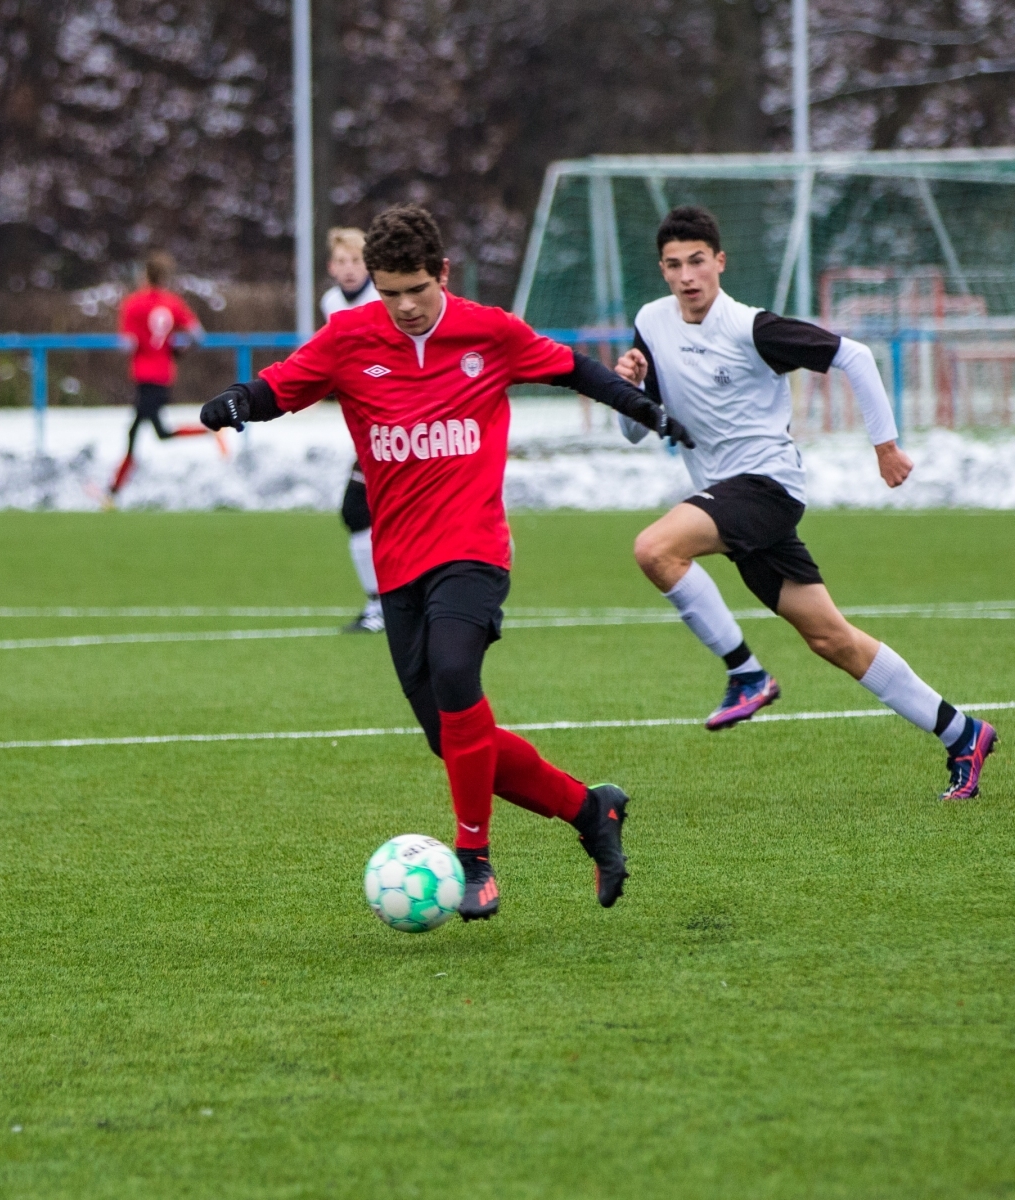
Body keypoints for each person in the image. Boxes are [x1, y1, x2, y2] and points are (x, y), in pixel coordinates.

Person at [198, 204, 694, 922]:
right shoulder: (349, 337)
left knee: (457, 672)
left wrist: (648, 409)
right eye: (389, 292)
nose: (403, 306)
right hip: (398, 561)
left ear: (443, 273)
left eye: (416, 290)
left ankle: (473, 858)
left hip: (472, 547)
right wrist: (236, 401)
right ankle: (592, 811)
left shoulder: (489, 332)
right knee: (453, 737)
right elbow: (281, 386)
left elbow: (576, 370)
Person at [612, 205, 996, 801]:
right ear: (661, 270)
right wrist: (630, 389)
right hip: (728, 500)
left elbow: (855, 355)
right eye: (674, 265)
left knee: (655, 549)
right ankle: (962, 733)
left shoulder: (751, 328)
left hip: (766, 487)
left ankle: (746, 674)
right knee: (832, 639)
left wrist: (886, 448)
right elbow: (637, 432)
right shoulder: (652, 323)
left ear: (720, 262)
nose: (687, 276)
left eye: (697, 261)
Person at [107, 252, 217, 500]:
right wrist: (176, 350)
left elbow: (126, 343)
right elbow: (198, 335)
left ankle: (113, 491)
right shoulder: (173, 303)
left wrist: (140, 344)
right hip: (163, 374)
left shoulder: (133, 303)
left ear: (145, 275)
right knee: (153, 432)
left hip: (144, 375)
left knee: (144, 432)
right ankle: (113, 490)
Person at [320, 227, 386, 633]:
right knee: (362, 511)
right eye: (341, 261)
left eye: (356, 261)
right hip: (367, 425)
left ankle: (385, 606)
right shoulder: (331, 302)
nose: (349, 269)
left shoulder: (383, 299)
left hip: (395, 420)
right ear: (331, 266)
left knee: (360, 509)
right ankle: (386, 605)